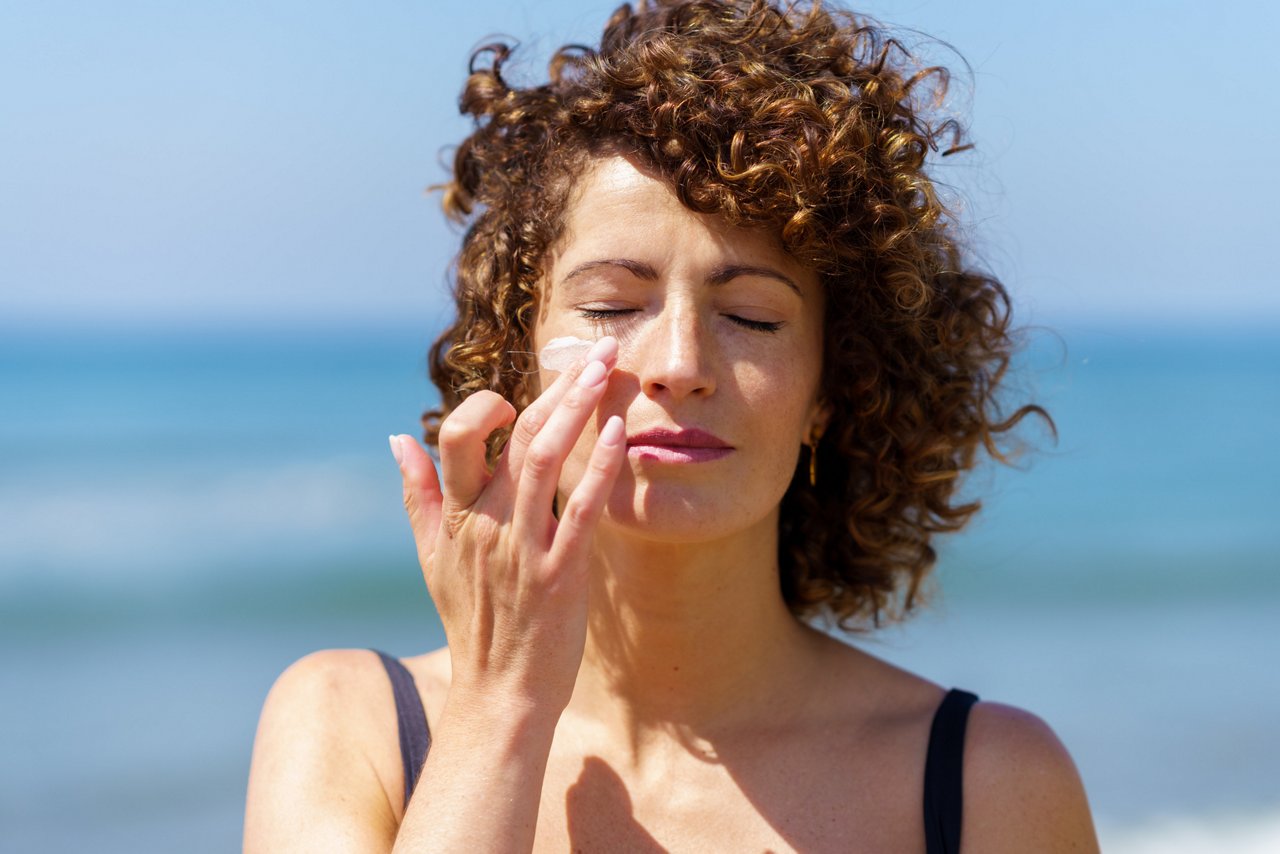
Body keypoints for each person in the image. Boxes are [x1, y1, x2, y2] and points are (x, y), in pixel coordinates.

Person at [245, 1, 1098, 850]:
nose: (679, 364)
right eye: (614, 306)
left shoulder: (990, 782)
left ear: (832, 392)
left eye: (755, 319)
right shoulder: (349, 728)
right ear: (517, 355)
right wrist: (501, 704)